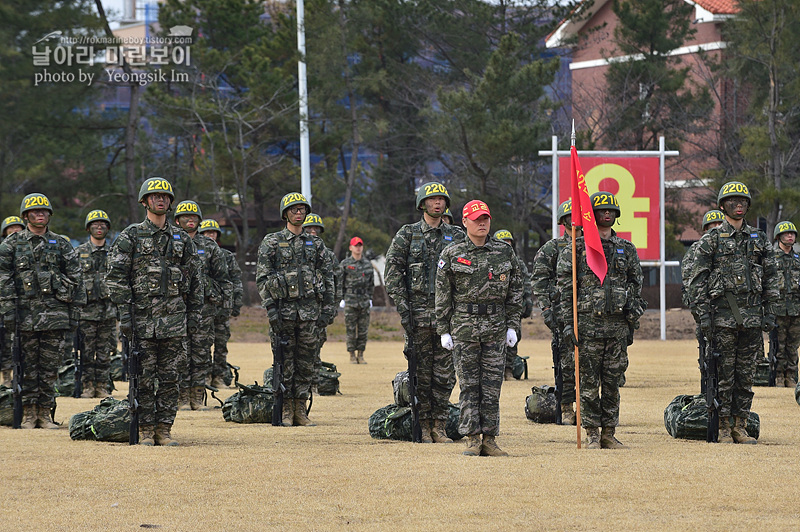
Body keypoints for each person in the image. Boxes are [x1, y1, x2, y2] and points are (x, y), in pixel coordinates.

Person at [106, 177, 203, 446]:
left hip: (174, 322)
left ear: (170, 203)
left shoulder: (182, 238)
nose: (160, 199)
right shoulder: (131, 236)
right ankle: (146, 429)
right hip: (142, 322)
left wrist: (193, 316)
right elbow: (116, 278)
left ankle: (165, 428)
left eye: (165, 196)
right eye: (154, 196)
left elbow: (196, 281)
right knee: (144, 378)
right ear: (145, 201)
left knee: (171, 379)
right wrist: (125, 315)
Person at [688, 181, 779, 444]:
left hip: (752, 319)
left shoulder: (758, 238)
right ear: (722, 205)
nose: (738, 205)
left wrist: (770, 311)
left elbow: (771, 276)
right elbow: (698, 281)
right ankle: (725, 427)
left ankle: (741, 425)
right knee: (724, 375)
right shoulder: (712, 239)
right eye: (733, 201)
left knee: (746, 376)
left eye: (743, 201)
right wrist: (703, 316)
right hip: (722, 319)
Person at [557, 191, 645, 449]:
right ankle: (592, 433)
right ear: (591, 215)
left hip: (617, 326)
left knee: (612, 382)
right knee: (587, 382)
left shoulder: (626, 249)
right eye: (601, 210)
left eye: (611, 210)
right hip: (587, 326)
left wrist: (631, 319)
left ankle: (608, 431)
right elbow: (565, 290)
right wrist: (567, 325)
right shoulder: (577, 248)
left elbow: (635, 284)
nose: (607, 214)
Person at [435, 200, 523, 456]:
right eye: (476, 219)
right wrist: (443, 329)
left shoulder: (504, 252)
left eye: (485, 218)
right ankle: (472, 438)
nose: (482, 223)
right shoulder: (452, 253)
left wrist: (512, 326)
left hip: (496, 327)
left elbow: (516, 291)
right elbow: (443, 294)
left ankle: (490, 438)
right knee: (469, 386)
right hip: (464, 326)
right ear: (465, 222)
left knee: (492, 386)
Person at [385, 182, 465, 444]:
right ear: (422, 204)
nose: (437, 203)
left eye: (441, 199)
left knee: (444, 375)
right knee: (420, 374)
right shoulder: (407, 235)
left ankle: (439, 425)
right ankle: (422, 423)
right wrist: (404, 308)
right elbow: (393, 274)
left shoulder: (457, 235)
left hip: (448, 319)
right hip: (417, 317)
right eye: (432, 200)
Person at [0, 193, 85, 429]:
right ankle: (28, 414)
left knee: (49, 368)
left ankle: (45, 413)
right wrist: (8, 313)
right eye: (35, 211)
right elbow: (4, 279)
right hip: (24, 317)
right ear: (25, 215)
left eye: (44, 211)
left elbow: (76, 279)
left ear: (49, 215)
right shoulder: (11, 244)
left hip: (55, 316)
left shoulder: (61, 243)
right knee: (26, 367)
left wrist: (75, 314)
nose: (40, 214)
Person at [256, 193, 334, 426]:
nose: (298, 213)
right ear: (285, 214)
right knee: (284, 362)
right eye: (294, 209)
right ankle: (286, 409)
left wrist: (328, 309)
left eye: (302, 209)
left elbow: (328, 278)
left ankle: (301, 408)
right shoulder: (272, 242)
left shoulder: (316, 244)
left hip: (310, 314)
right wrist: (270, 309)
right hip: (284, 313)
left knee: (306, 363)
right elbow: (262, 278)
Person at [173, 200, 230, 409]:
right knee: (179, 353)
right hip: (175, 308)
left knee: (201, 352)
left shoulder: (209, 246)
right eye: (186, 217)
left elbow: (223, 278)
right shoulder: (170, 241)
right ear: (177, 220)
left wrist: (220, 302)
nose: (191, 220)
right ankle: (181, 397)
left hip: (204, 310)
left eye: (194, 217)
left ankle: (197, 397)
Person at [531, 199, 581, 424]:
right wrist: (548, 308)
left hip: (590, 314)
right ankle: (566, 407)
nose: (575, 221)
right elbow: (539, 280)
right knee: (566, 363)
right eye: (570, 217)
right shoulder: (552, 249)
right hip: (562, 315)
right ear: (563, 221)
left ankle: (590, 407)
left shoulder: (595, 246)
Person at [75, 209, 117, 398]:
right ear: (88, 228)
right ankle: (87, 386)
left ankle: (101, 385)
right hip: (86, 312)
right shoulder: (79, 252)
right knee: (86, 352)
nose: (99, 228)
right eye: (95, 225)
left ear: (107, 229)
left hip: (108, 312)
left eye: (102, 225)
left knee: (104, 351)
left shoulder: (114, 253)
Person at [681, 209, 724, 389]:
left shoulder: (732, 249)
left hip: (728, 311)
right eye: (711, 226)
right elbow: (688, 281)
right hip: (706, 311)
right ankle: (707, 391)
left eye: (719, 225)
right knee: (707, 356)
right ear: (704, 230)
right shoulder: (696, 250)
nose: (716, 229)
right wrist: (698, 308)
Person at [198, 219, 244, 389]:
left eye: (213, 232)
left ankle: (219, 376)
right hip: (203, 308)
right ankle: (204, 378)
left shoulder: (227, 256)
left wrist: (235, 304)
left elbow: (235, 280)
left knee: (221, 344)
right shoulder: (196, 253)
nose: (210, 235)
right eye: (207, 232)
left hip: (222, 308)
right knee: (202, 345)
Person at [301, 213, 339, 393]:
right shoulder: (296, 250)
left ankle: (314, 384)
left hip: (319, 308)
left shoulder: (328, 255)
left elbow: (335, 282)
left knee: (315, 347)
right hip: (299, 309)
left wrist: (331, 308)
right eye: (309, 229)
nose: (313, 232)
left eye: (316, 229)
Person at [492, 229, 533, 380]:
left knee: (513, 339)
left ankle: (509, 369)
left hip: (513, 308)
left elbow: (526, 285)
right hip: (495, 309)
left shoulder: (518, 263)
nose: (506, 245)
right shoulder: (490, 261)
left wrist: (527, 305)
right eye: (503, 243)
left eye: (509, 242)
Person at [771, 221, 800, 387]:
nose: (790, 236)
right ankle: (779, 376)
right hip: (779, 309)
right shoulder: (772, 259)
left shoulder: (797, 259)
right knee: (779, 345)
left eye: (792, 234)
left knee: (793, 345)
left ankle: (791, 376)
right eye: (786, 234)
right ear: (778, 237)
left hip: (796, 309)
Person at [339, 236, 374, 364]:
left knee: (363, 330)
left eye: (360, 245)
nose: (358, 248)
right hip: (350, 300)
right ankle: (352, 355)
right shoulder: (345, 264)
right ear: (351, 247)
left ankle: (361, 354)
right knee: (351, 330)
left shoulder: (368, 264)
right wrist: (341, 298)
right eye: (356, 246)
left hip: (364, 300)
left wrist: (370, 298)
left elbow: (371, 284)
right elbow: (340, 282)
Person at [0, 216, 24, 385]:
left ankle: (18, 374)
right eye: (11, 228)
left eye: (18, 228)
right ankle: (6, 375)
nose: (15, 231)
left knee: (16, 341)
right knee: (4, 341)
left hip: (19, 303)